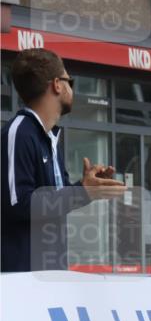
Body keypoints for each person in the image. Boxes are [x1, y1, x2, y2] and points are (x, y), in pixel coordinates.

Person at [2, 48, 125, 272]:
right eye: (70, 81)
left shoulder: (49, 137)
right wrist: (81, 192)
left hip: (49, 272)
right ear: (57, 85)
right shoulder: (19, 133)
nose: (71, 89)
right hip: (23, 277)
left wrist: (86, 186)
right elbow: (19, 204)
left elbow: (55, 200)